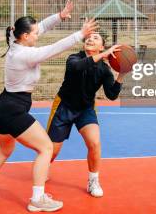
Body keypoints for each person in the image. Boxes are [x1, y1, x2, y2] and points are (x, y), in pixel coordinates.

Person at [0, 0, 99, 212]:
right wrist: (80, 34)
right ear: (25, 36)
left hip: (1, 106)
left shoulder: (15, 40)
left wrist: (59, 16)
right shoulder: (25, 55)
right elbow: (53, 49)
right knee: (46, 148)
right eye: (35, 34)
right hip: (13, 110)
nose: (38, 35)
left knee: (4, 150)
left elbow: (41, 27)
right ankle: (37, 199)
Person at [47, 32, 123, 198]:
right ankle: (43, 168)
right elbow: (77, 67)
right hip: (64, 107)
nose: (90, 39)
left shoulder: (104, 69)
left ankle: (93, 181)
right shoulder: (74, 58)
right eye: (89, 37)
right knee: (51, 152)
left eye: (96, 38)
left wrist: (122, 75)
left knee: (95, 143)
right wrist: (103, 55)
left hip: (86, 109)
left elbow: (111, 94)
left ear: (102, 46)